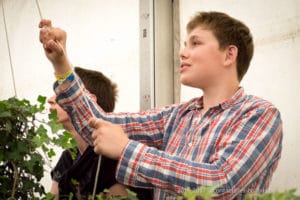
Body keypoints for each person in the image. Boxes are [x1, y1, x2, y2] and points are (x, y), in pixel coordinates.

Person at [39, 11, 283, 199]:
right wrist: (61, 64)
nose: (182, 53)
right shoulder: (178, 114)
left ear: (229, 55)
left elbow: (222, 183)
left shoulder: (259, 114)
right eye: (184, 44)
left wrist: (127, 150)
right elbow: (99, 123)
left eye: (195, 43)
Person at [48, 67, 153, 199]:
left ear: (87, 102)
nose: (50, 99)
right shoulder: (68, 157)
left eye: (62, 95)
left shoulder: (112, 162)